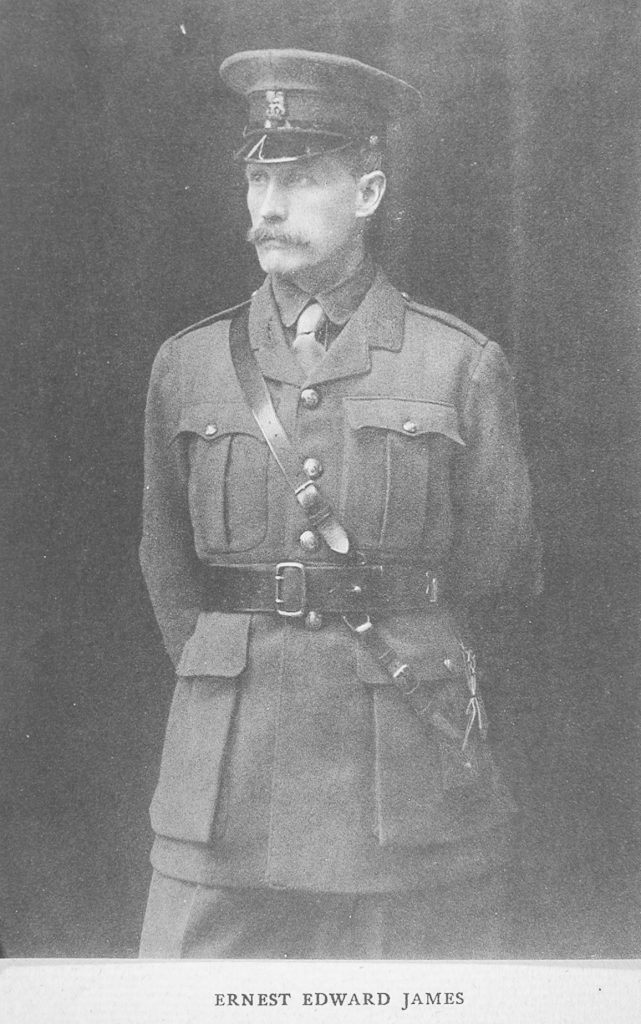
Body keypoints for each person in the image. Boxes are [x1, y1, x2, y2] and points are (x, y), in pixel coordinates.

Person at [138, 48, 541, 959]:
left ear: (366, 193)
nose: (268, 207)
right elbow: (166, 565)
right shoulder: (187, 365)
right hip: (225, 795)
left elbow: (497, 576)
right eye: (256, 179)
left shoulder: (457, 364)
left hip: (400, 796)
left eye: (299, 179)